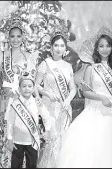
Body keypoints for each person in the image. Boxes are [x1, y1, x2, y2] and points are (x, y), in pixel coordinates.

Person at [57, 26, 112, 168]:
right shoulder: (91, 68)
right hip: (94, 111)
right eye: (101, 46)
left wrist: (111, 99)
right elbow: (86, 92)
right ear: (97, 49)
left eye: (107, 46)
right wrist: (102, 98)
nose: (104, 49)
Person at [0, 17, 39, 168]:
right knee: (6, 136)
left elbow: (32, 83)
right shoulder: (3, 54)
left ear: (23, 37)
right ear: (8, 37)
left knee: (24, 136)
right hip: (6, 102)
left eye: (19, 36)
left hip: (24, 102)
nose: (15, 39)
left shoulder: (29, 57)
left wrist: (35, 97)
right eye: (12, 36)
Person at [36, 32, 77, 167]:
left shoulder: (67, 66)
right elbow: (36, 86)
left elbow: (73, 89)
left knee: (62, 141)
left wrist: (68, 100)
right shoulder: (45, 64)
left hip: (63, 108)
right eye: (56, 45)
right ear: (51, 48)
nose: (59, 48)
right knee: (51, 141)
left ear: (65, 49)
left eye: (62, 46)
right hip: (49, 107)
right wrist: (47, 93)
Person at [5, 72, 51, 168]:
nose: (27, 89)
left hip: (32, 142)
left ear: (33, 88)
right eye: (24, 86)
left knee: (32, 165)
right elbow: (10, 123)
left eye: (30, 86)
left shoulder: (37, 103)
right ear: (19, 88)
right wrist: (9, 139)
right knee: (15, 165)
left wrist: (47, 130)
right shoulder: (15, 104)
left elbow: (46, 116)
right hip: (17, 141)